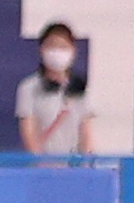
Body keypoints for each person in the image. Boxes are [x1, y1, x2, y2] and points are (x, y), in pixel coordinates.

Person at [18, 23, 95, 158]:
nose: (57, 51)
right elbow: (28, 131)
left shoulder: (80, 88)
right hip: (42, 169)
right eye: (52, 45)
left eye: (63, 46)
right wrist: (41, 163)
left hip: (74, 170)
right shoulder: (29, 87)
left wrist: (85, 164)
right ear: (42, 49)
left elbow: (86, 131)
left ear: (73, 51)